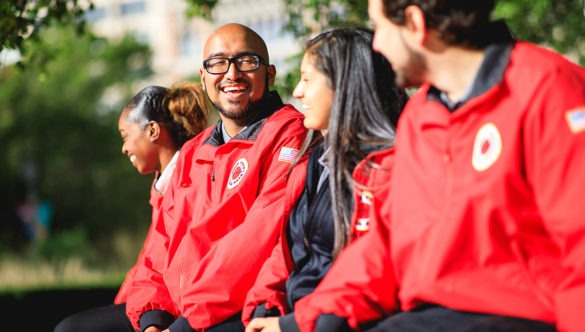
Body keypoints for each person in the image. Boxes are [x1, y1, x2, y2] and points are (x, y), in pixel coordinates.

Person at [291, 0, 585, 331]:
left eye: (382, 29)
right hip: (429, 315)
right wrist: (305, 320)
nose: (376, 44)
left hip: (520, 315)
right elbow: (385, 243)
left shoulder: (548, 88)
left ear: (415, 24)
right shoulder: (421, 115)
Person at [125, 23, 308, 332]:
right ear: (203, 76)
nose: (232, 74)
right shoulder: (194, 151)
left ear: (271, 74)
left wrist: (185, 324)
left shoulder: (291, 136)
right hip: (174, 311)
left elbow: (258, 240)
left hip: (238, 308)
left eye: (247, 61)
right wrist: (152, 319)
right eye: (218, 63)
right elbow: (159, 245)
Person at [242, 28, 408, 332]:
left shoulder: (387, 169)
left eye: (307, 78)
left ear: (344, 84)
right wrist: (263, 307)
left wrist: (290, 325)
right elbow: (286, 253)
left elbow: (370, 277)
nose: (298, 91)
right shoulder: (314, 161)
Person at [54, 82, 210, 332]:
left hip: (185, 312)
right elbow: (149, 264)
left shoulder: (195, 176)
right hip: (159, 308)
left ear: (152, 131)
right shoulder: (161, 186)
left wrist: (155, 322)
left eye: (125, 136)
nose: (123, 148)